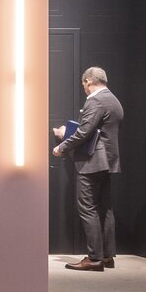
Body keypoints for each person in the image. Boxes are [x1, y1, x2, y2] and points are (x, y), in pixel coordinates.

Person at [52, 66, 124, 272]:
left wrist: (61, 145)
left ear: (88, 81)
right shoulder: (114, 100)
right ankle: (107, 256)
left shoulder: (95, 100)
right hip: (108, 161)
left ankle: (94, 259)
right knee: (105, 208)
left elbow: (84, 132)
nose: (84, 87)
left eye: (83, 83)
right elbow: (98, 132)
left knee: (87, 208)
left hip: (92, 162)